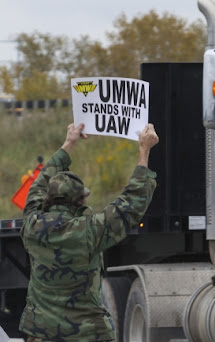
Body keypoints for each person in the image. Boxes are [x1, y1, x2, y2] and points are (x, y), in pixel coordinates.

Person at [18, 122, 159, 342]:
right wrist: (144, 150)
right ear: (79, 201)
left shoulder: (31, 226)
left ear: (49, 199)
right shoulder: (88, 231)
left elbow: (38, 186)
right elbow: (130, 205)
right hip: (85, 335)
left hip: (40, 334)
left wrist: (68, 144)